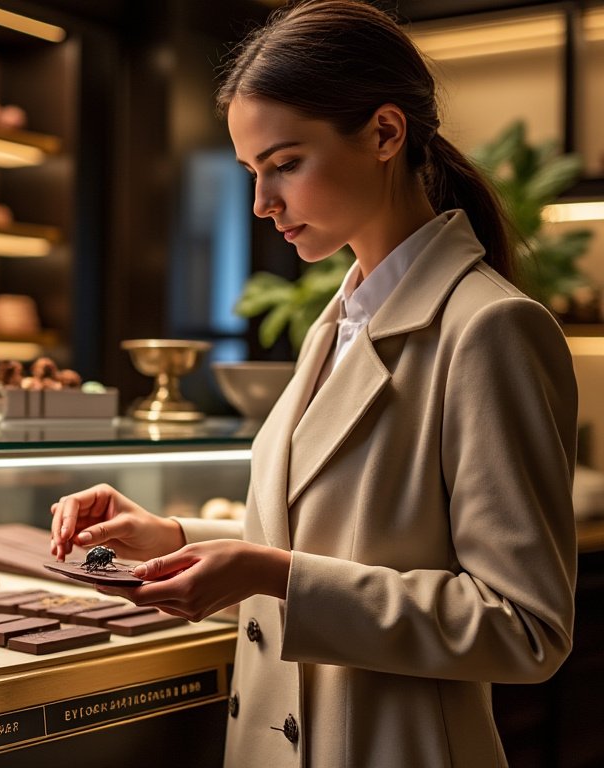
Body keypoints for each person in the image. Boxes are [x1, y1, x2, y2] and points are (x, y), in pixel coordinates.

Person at [50, 2, 578, 766]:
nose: (263, 204)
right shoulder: (337, 321)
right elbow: (329, 547)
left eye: (286, 163)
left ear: (385, 134)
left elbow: (525, 628)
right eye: (252, 172)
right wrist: (176, 541)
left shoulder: (490, 328)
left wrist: (272, 575)